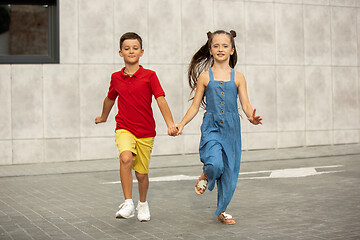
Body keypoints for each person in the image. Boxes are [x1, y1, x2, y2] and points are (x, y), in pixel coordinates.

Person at [175, 30, 262, 225]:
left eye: (225, 46)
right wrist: (181, 124)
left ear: (232, 50)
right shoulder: (205, 77)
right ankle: (207, 172)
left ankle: (222, 210)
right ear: (210, 49)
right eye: (216, 46)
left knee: (230, 171)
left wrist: (251, 116)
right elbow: (195, 106)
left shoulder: (238, 77)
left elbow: (246, 103)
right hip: (212, 127)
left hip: (232, 129)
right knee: (215, 164)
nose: (220, 49)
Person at [95, 32, 177, 222]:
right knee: (125, 158)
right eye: (126, 48)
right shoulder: (116, 77)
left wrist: (170, 123)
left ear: (141, 52)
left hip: (146, 131)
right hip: (124, 127)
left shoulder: (150, 76)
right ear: (120, 53)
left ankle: (142, 203)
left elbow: (160, 99)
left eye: (134, 48)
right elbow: (110, 98)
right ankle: (128, 202)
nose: (131, 51)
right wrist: (103, 117)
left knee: (141, 174)